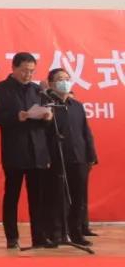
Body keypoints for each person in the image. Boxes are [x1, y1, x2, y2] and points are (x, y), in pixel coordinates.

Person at [0, 52, 54, 249]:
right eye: (25, 70)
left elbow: (46, 119)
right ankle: (12, 237)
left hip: (37, 151)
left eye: (32, 71)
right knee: (12, 196)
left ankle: (39, 237)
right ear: (14, 68)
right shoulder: (0, 89)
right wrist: (16, 116)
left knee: (38, 198)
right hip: (15, 150)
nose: (28, 75)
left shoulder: (38, 90)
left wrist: (47, 118)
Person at [45, 68, 98, 247]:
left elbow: (86, 132)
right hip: (58, 158)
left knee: (79, 198)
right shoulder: (48, 106)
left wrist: (91, 155)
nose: (65, 82)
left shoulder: (77, 106)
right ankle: (57, 233)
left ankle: (77, 233)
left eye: (67, 79)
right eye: (60, 79)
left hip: (79, 157)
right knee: (56, 198)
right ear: (51, 83)